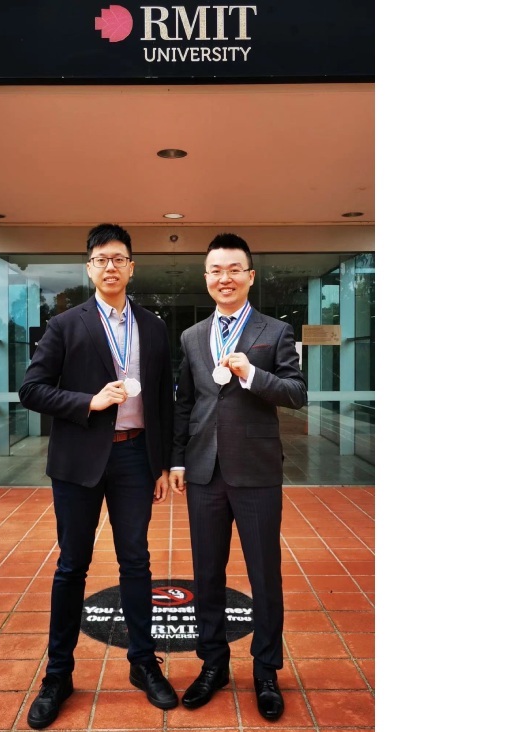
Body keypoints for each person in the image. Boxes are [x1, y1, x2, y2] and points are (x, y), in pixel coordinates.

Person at [18, 224, 178, 729]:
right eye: (102, 259)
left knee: (137, 563)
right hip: (79, 462)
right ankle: (59, 675)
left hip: (134, 460)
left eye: (120, 259)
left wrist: (160, 463)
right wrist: (88, 401)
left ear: (132, 267)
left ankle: (143, 663)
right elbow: (32, 389)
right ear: (89, 268)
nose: (111, 266)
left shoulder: (152, 326)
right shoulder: (65, 325)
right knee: (72, 566)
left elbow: (163, 400)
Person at [169, 233, 307, 720]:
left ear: (250, 276)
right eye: (215, 270)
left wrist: (252, 374)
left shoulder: (275, 330)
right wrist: (179, 460)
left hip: (257, 472)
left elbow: (295, 392)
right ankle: (214, 664)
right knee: (207, 575)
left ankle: (266, 671)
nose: (223, 278)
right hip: (205, 472)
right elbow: (186, 403)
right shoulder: (191, 336)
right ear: (205, 277)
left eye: (233, 269)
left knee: (263, 575)